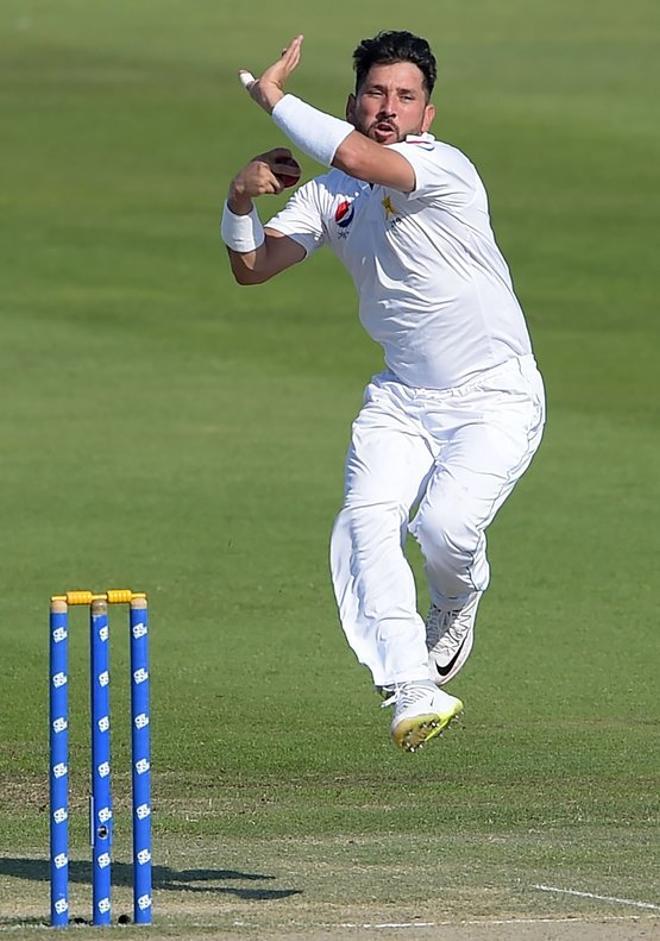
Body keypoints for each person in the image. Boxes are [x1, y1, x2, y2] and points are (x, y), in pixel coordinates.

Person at [220, 31, 546, 752]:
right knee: (365, 520)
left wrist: (272, 98)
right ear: (353, 101)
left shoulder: (441, 168)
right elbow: (253, 266)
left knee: (443, 529)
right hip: (402, 399)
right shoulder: (332, 196)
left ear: (428, 117)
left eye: (405, 98)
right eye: (375, 93)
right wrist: (240, 195)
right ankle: (412, 686)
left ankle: (458, 597)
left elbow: (353, 154)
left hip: (495, 397)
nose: (388, 108)